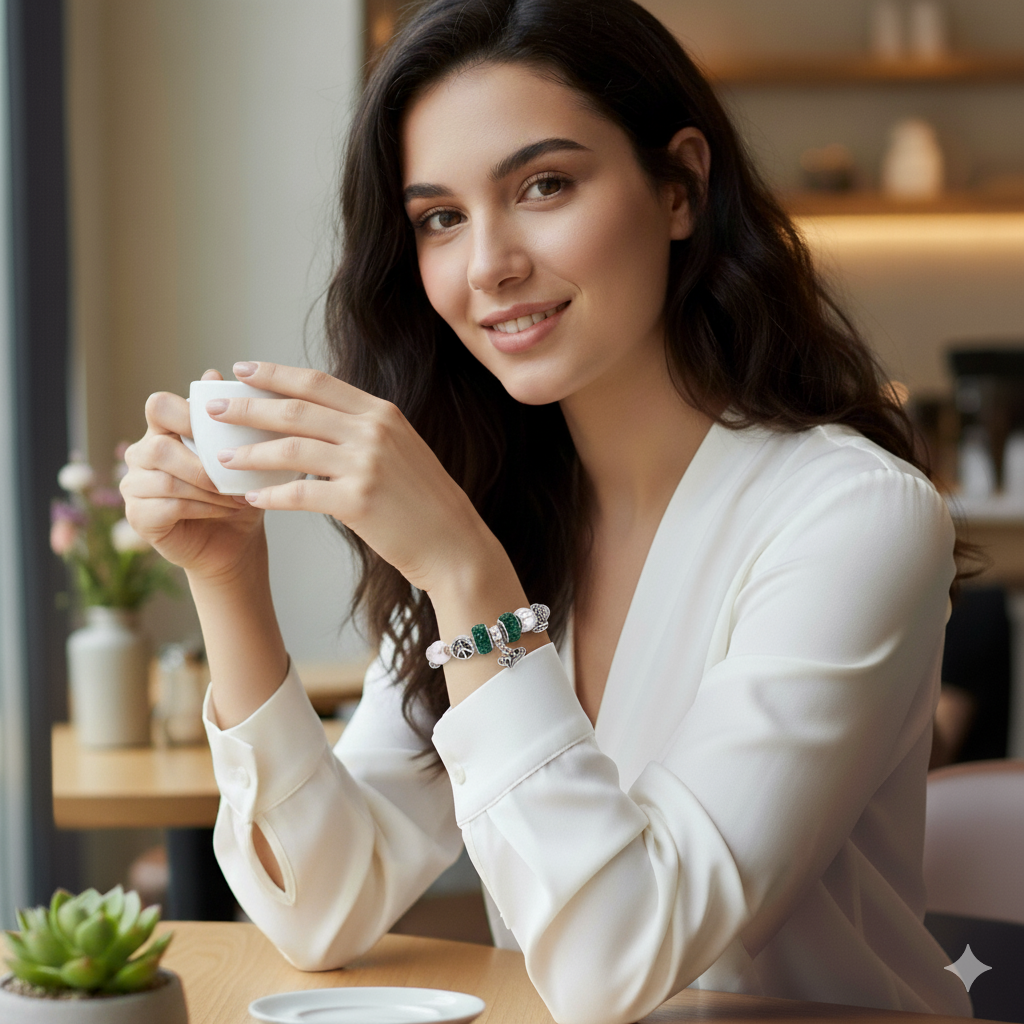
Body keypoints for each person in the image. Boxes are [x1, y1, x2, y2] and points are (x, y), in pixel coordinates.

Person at [119, 1, 974, 1021]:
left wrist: (464, 575)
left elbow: (619, 962)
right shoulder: (504, 509)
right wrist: (225, 577)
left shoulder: (851, 518)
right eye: (439, 217)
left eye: (543, 186)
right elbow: (320, 904)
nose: (487, 265)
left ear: (679, 186)